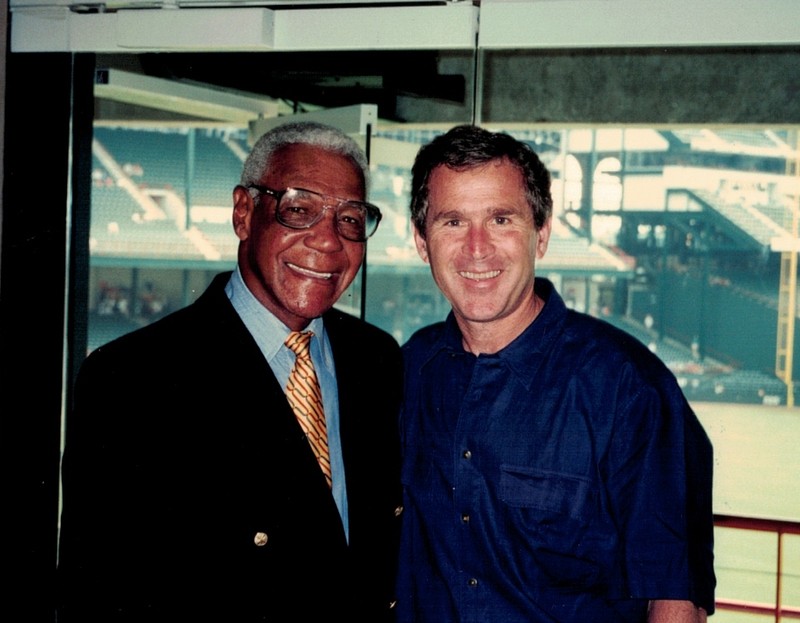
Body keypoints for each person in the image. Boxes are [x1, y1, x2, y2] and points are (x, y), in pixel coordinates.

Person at [57, 121, 404, 621]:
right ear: (244, 212)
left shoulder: (376, 360)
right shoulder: (133, 381)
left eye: (350, 218)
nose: (329, 241)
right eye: (299, 209)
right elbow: (96, 596)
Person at [395, 125, 715, 622]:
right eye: (452, 222)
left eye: (501, 219)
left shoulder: (629, 389)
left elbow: (674, 599)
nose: (477, 248)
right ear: (421, 240)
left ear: (541, 233)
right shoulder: (410, 371)